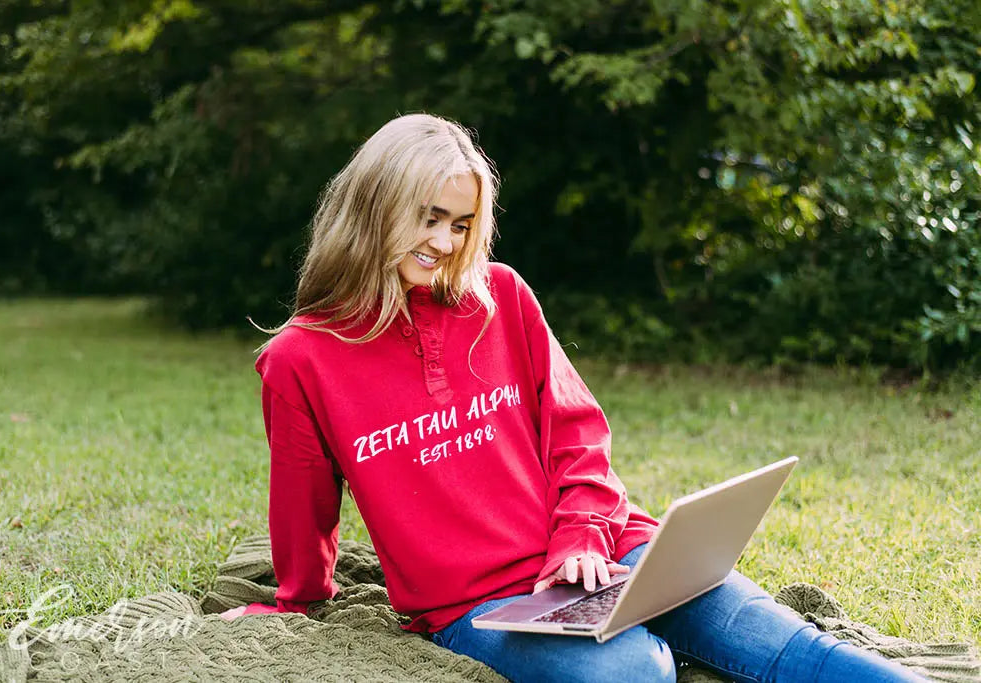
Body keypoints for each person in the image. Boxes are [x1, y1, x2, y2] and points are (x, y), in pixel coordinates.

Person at [221, 113, 925, 683]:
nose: (443, 242)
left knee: (796, 649)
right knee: (631, 671)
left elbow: (577, 434)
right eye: (427, 217)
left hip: (613, 553)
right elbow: (303, 501)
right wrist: (296, 601)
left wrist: (583, 534)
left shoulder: (503, 297)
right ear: (375, 207)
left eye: (461, 224)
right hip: (483, 606)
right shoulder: (301, 359)